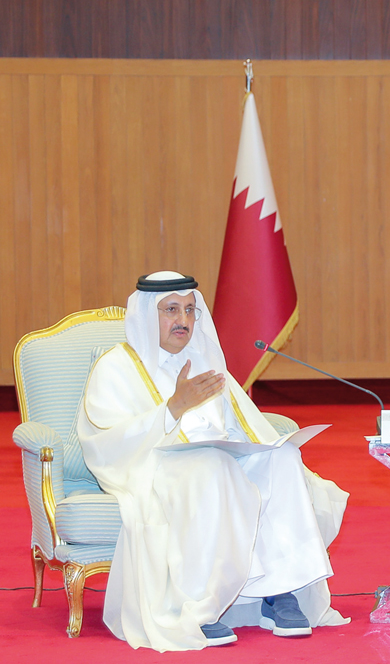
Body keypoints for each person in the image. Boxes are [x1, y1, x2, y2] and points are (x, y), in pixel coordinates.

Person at [77, 271, 350, 652]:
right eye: (171, 310)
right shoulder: (116, 367)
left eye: (190, 310)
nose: (184, 321)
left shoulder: (205, 359)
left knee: (282, 458)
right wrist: (173, 408)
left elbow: (242, 422)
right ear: (145, 315)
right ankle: (201, 607)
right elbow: (105, 442)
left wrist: (256, 447)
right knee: (214, 467)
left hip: (216, 459)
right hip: (156, 467)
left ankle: (280, 589)